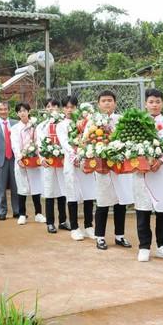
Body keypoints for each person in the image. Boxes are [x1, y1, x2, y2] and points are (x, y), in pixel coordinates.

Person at [133, 89, 163, 262]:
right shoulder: (137, 122)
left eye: (158, 101)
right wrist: (142, 161)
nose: (154, 104)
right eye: (151, 101)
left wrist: (161, 161)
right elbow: (131, 144)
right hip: (142, 171)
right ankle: (144, 246)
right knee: (143, 210)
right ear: (145, 103)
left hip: (162, 170)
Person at [93, 90, 133, 250]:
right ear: (98, 104)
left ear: (115, 103)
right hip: (103, 167)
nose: (107, 103)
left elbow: (128, 139)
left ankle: (119, 235)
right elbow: (87, 141)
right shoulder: (93, 121)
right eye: (104, 101)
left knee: (120, 201)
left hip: (119, 165)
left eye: (110, 100)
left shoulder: (121, 120)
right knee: (102, 201)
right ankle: (100, 237)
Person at [56, 96, 96, 241]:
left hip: (85, 160)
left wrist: (83, 154)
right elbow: (65, 143)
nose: (69, 109)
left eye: (72, 107)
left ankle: (89, 226)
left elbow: (89, 138)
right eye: (66, 107)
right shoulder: (61, 125)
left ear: (76, 108)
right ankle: (74, 227)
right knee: (72, 193)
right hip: (71, 162)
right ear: (62, 109)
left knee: (89, 192)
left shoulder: (85, 122)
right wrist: (75, 155)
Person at [10, 102, 45, 225]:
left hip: (34, 160)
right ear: (17, 114)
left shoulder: (35, 126)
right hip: (22, 161)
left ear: (29, 111)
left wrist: (39, 157)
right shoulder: (15, 129)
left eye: (24, 110)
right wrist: (19, 158)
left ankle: (38, 213)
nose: (22, 113)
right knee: (22, 187)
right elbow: (14, 144)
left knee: (36, 187)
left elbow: (39, 142)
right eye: (19, 111)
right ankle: (22, 214)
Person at [36, 98, 68, 233]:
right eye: (49, 106)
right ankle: (50, 222)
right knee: (49, 191)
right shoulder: (42, 126)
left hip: (62, 161)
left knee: (62, 191)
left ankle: (63, 221)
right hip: (49, 161)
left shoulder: (64, 123)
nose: (52, 108)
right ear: (46, 109)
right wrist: (42, 158)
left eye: (55, 106)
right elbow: (39, 143)